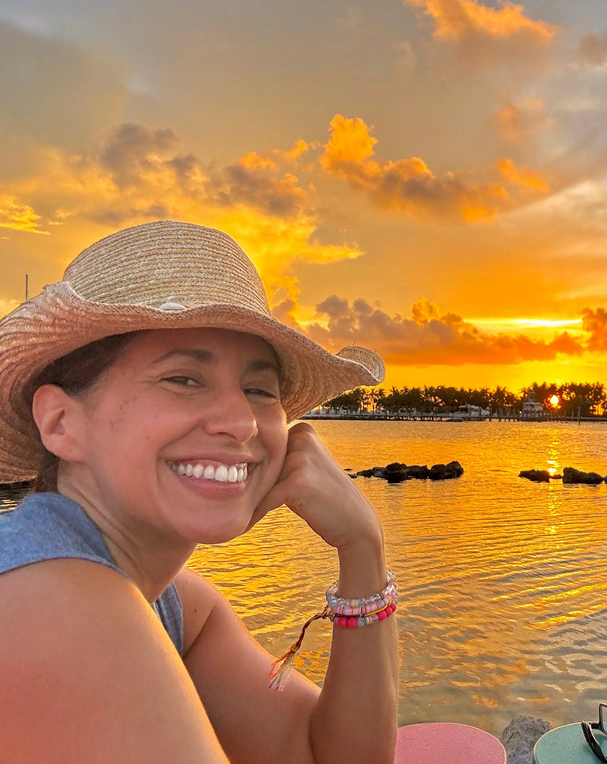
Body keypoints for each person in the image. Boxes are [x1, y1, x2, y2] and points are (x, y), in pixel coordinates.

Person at [0, 220, 398, 763]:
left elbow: (327, 758)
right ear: (61, 422)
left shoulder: (173, 603)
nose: (242, 422)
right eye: (184, 379)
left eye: (260, 390)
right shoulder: (52, 602)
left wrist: (363, 550)